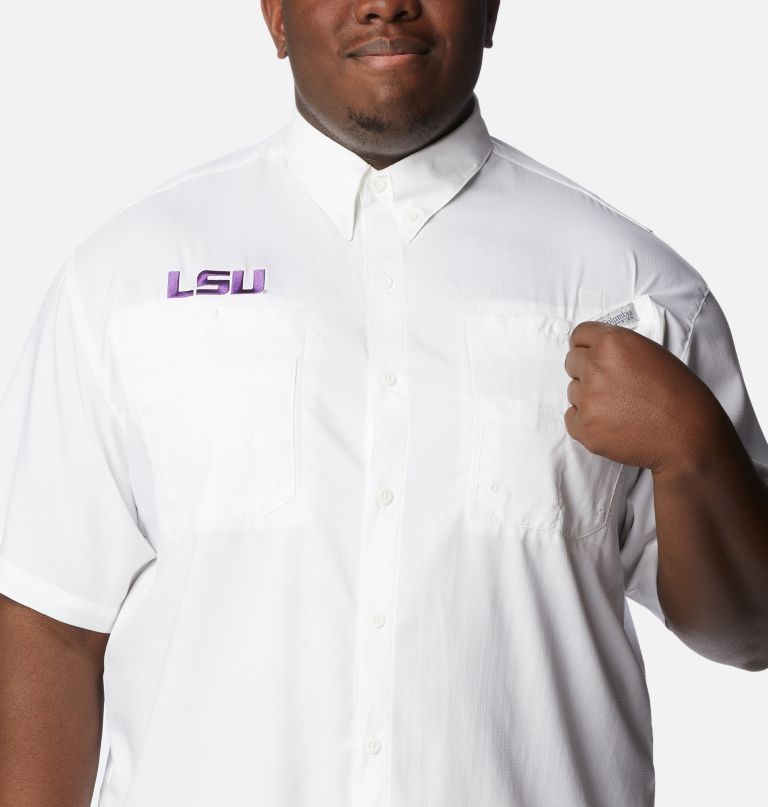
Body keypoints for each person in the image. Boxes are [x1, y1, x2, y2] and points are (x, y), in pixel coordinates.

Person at [1, 0, 767, 805]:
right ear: (275, 16)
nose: (385, 4)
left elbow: (750, 632)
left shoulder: (637, 288)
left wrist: (695, 450)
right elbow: (50, 624)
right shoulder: (123, 277)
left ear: (491, 9)